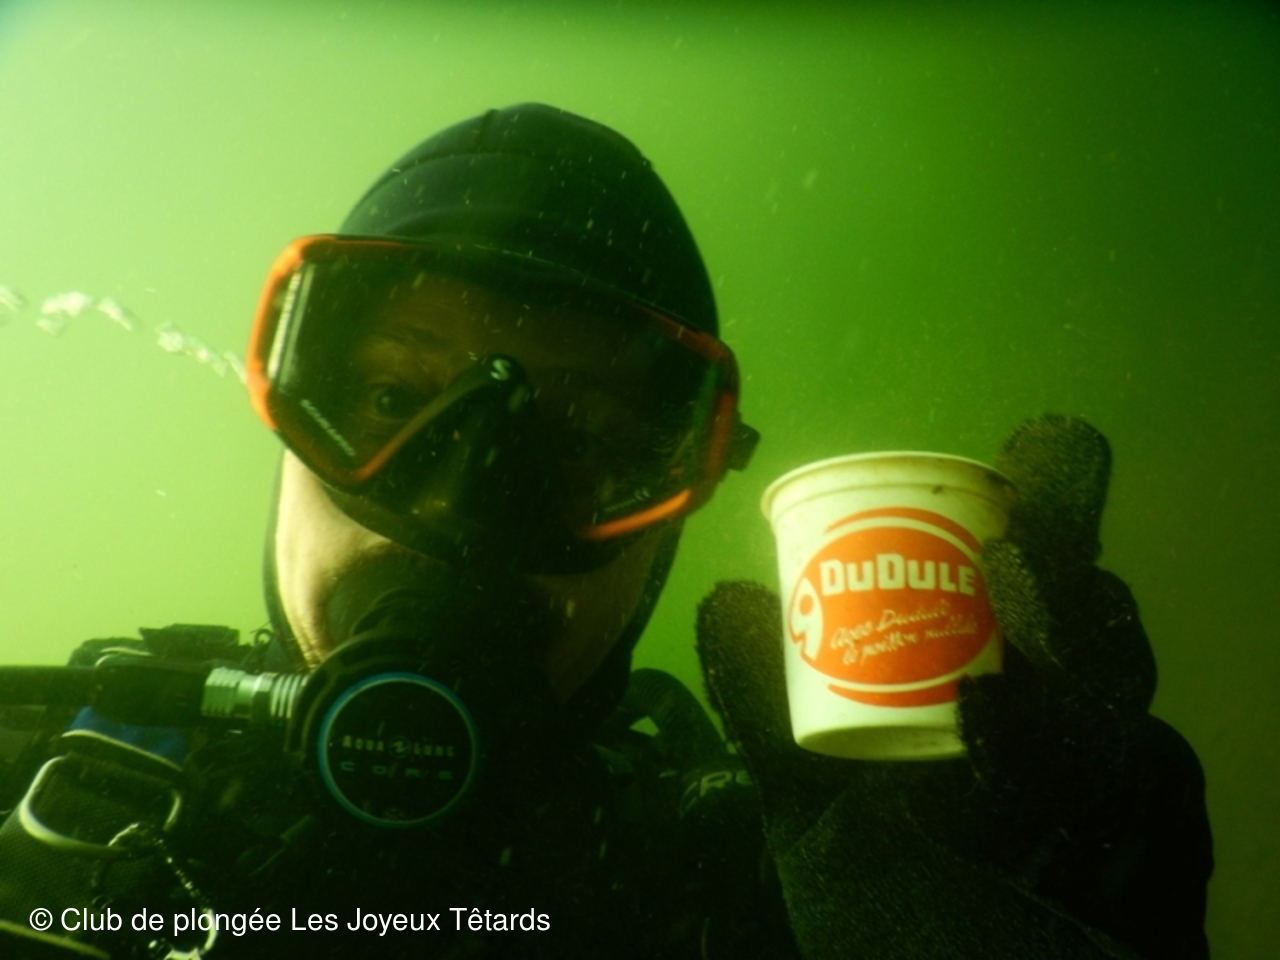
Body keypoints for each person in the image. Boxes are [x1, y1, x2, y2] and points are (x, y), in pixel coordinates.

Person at [0, 104, 1211, 959]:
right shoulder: (41, 790)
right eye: (390, 399)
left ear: (674, 510)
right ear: (284, 407)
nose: (464, 506)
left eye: (577, 439)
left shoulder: (774, 883)